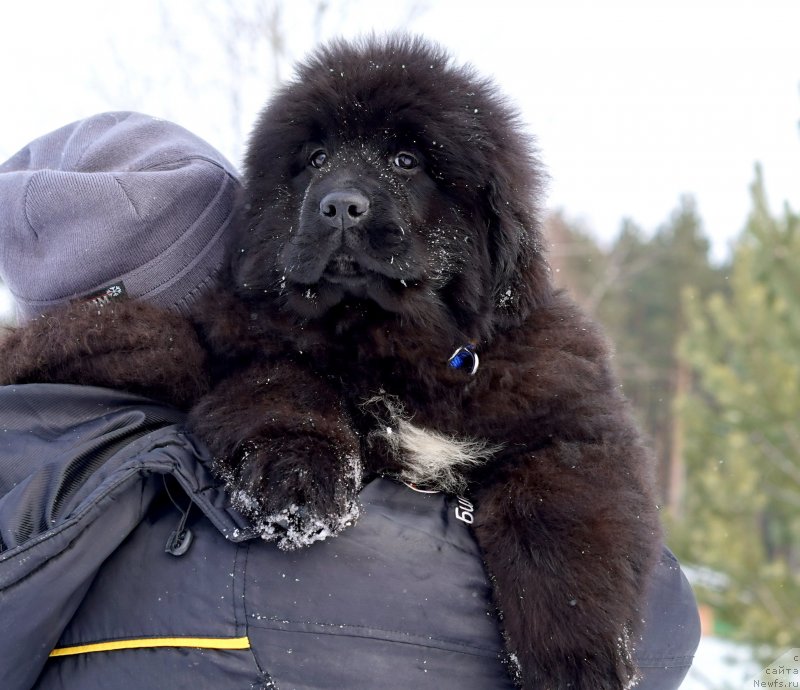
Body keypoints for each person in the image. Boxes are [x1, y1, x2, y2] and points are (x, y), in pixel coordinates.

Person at [0, 112, 701, 690]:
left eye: (403, 164)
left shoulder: (37, 443)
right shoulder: (228, 522)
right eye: (308, 168)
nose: (340, 200)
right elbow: (661, 624)